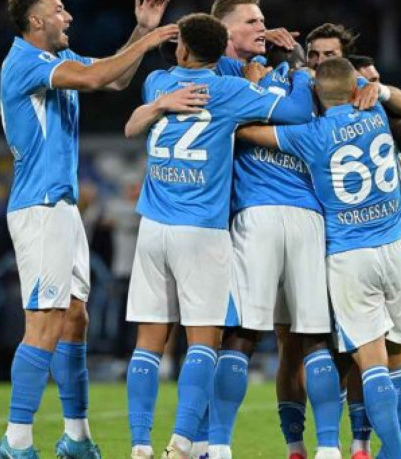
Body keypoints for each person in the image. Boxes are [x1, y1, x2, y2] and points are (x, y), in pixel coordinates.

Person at [122, 13, 314, 459]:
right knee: (204, 343)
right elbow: (297, 111)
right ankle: (183, 442)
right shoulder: (230, 93)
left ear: (182, 49)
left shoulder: (157, 84)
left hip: (152, 228)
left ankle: (139, 445)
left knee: (149, 343)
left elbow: (137, 120)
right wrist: (295, 75)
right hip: (202, 231)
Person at [0, 0, 178, 457]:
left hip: (63, 206)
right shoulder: (24, 63)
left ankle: (76, 437)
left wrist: (139, 31)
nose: (70, 16)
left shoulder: (58, 61)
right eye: (59, 10)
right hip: (39, 207)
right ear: (35, 22)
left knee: (75, 319)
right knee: (44, 321)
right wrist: (155, 41)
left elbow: (114, 77)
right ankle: (16, 443)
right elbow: (96, 78)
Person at [238, 57, 401, 459]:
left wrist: (251, 95)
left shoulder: (310, 134)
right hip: (396, 250)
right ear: (356, 89)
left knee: (370, 364)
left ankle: (396, 453)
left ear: (317, 93)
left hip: (350, 255)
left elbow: (250, 132)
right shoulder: (376, 116)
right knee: (396, 357)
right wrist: (381, 92)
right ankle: (386, 450)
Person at [205, 2, 341, 459]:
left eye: (264, 21)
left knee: (244, 334)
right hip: (302, 218)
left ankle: (220, 447)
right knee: (312, 336)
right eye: (253, 22)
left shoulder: (242, 78)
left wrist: (263, 57)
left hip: (260, 215)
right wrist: (296, 62)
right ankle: (328, 449)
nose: (263, 28)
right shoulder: (308, 83)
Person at [342, 55, 401, 458]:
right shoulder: (331, 122)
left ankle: (381, 449)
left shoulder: (390, 121)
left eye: (379, 79)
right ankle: (367, 445)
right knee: (364, 356)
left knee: (398, 354)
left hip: (395, 248)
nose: (378, 85)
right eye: (370, 80)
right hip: (357, 251)